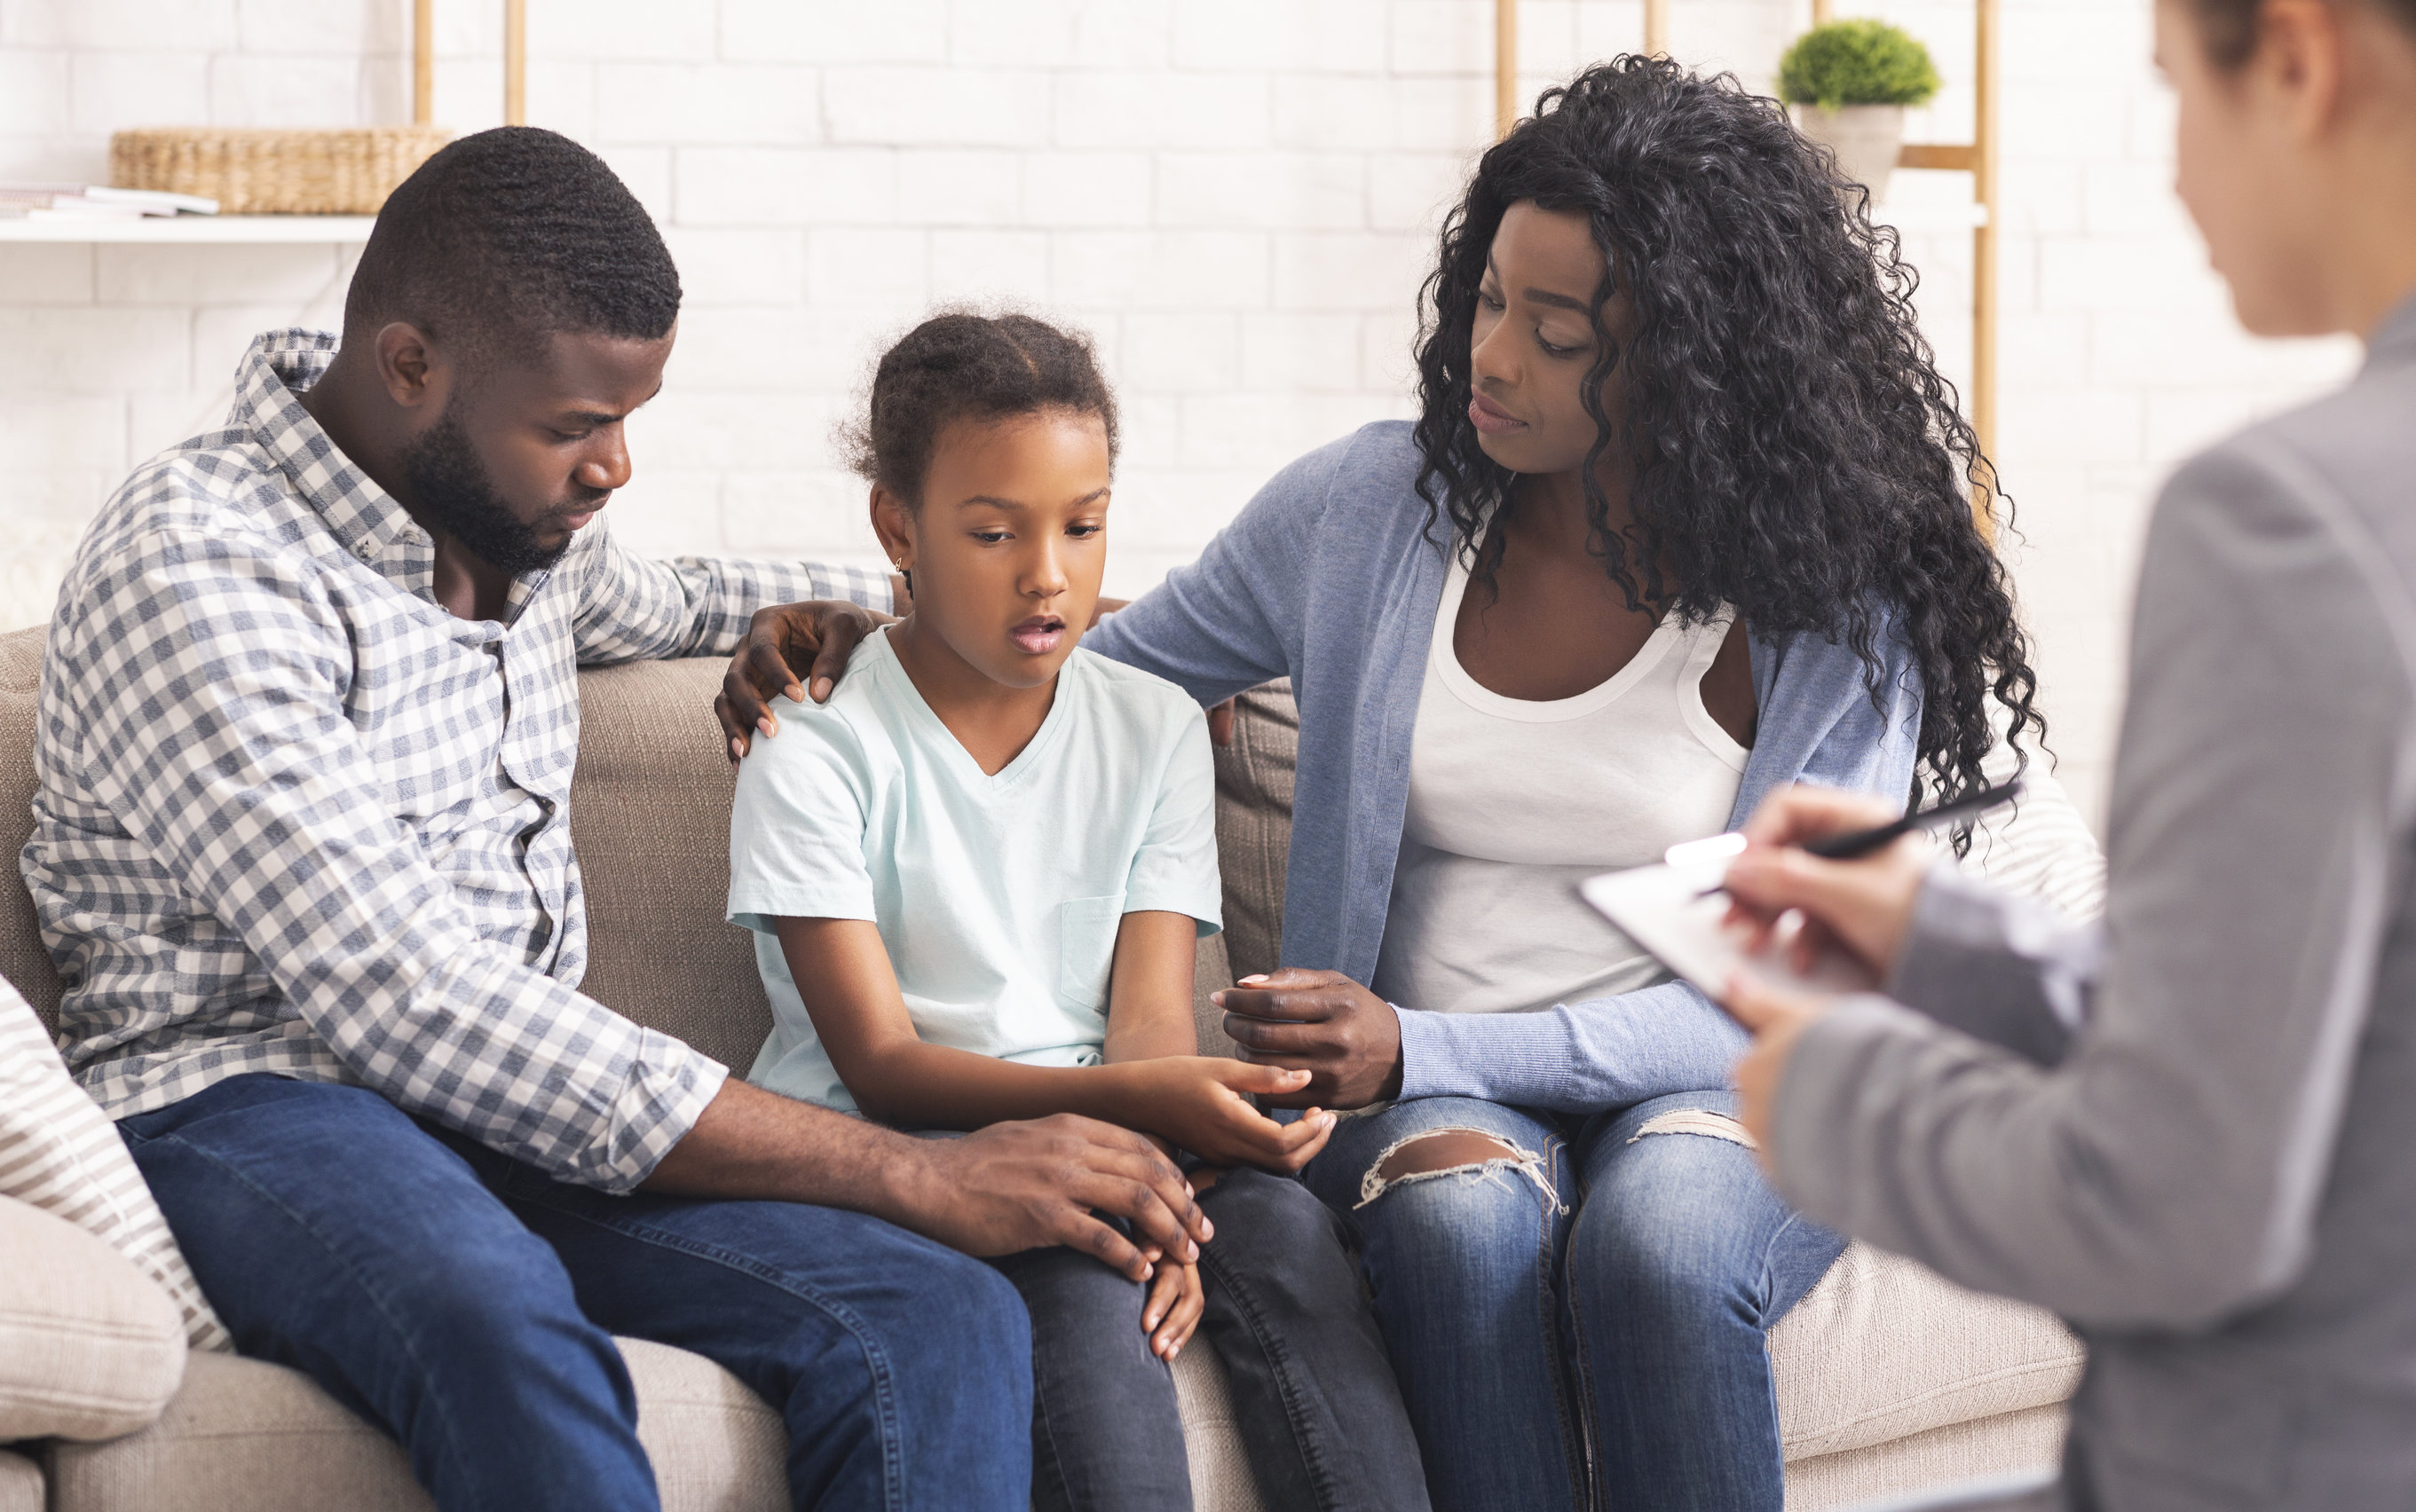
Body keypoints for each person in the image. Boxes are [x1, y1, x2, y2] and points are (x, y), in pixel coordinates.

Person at [721, 59, 2044, 1512]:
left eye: (1554, 333)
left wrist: (1420, 1048)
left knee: (1660, 1253)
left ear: (1691, 359)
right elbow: (1093, 660)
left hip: (1722, 1074)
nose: (1490, 357)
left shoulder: (1833, 600)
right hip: (1422, 1095)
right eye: (1486, 300)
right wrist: (859, 619)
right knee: (1453, 1229)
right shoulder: (1369, 510)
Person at [21, 128, 1215, 1512]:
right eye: (575, 427)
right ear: (412, 367)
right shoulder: (200, 561)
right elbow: (412, 1003)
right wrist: (907, 1172)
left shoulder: (516, 542)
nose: (615, 469)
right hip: (264, 1106)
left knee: (934, 1314)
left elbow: (695, 594)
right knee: (495, 1317)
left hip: (523, 1129)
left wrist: (1001, 615)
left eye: (628, 418)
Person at [1713, 0, 2416, 1508]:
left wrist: (1834, 1098)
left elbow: (2171, 1199)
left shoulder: (2288, 521)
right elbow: (2320, 1045)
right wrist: (1947, 943)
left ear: (2294, 58)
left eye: (2176, 94)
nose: (2171, 174)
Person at [727, 311, 1428, 1512]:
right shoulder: (814, 745)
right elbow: (884, 1066)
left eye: (1083, 525)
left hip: (1113, 1127)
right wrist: (1137, 1123)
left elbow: (1149, 1023)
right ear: (897, 526)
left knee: (1290, 1237)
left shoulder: (1151, 726)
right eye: (993, 532)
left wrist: (1173, 1131)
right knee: (1086, 1281)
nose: (1046, 573)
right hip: (904, 1157)